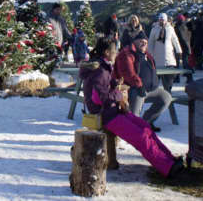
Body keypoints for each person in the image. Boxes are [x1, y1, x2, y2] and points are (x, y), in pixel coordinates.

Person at [79, 37, 184, 178]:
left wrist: (115, 85)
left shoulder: (104, 66)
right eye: (114, 50)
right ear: (106, 52)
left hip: (114, 111)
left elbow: (106, 88)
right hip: (106, 115)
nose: (116, 53)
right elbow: (101, 97)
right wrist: (119, 95)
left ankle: (170, 159)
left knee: (146, 128)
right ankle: (168, 167)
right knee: (140, 136)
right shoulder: (100, 71)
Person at [114, 32, 173, 132]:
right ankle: (133, 128)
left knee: (166, 97)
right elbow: (128, 73)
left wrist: (154, 83)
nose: (144, 44)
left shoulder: (147, 55)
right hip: (133, 88)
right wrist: (139, 86)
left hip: (150, 88)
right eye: (141, 41)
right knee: (134, 114)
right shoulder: (127, 53)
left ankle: (146, 122)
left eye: (146, 42)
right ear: (135, 42)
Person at [148, 13, 182, 94]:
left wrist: (179, 50)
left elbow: (175, 40)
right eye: (160, 19)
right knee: (155, 80)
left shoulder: (170, 29)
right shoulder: (154, 29)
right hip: (157, 58)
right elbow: (150, 42)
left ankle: (168, 93)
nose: (161, 21)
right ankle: (155, 95)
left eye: (163, 20)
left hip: (169, 58)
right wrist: (149, 54)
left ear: (166, 20)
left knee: (169, 80)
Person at [174, 13, 192, 81]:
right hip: (186, 47)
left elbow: (182, 38)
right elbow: (187, 38)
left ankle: (177, 78)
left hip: (180, 47)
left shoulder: (178, 27)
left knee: (178, 63)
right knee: (185, 63)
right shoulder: (185, 26)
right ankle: (189, 78)